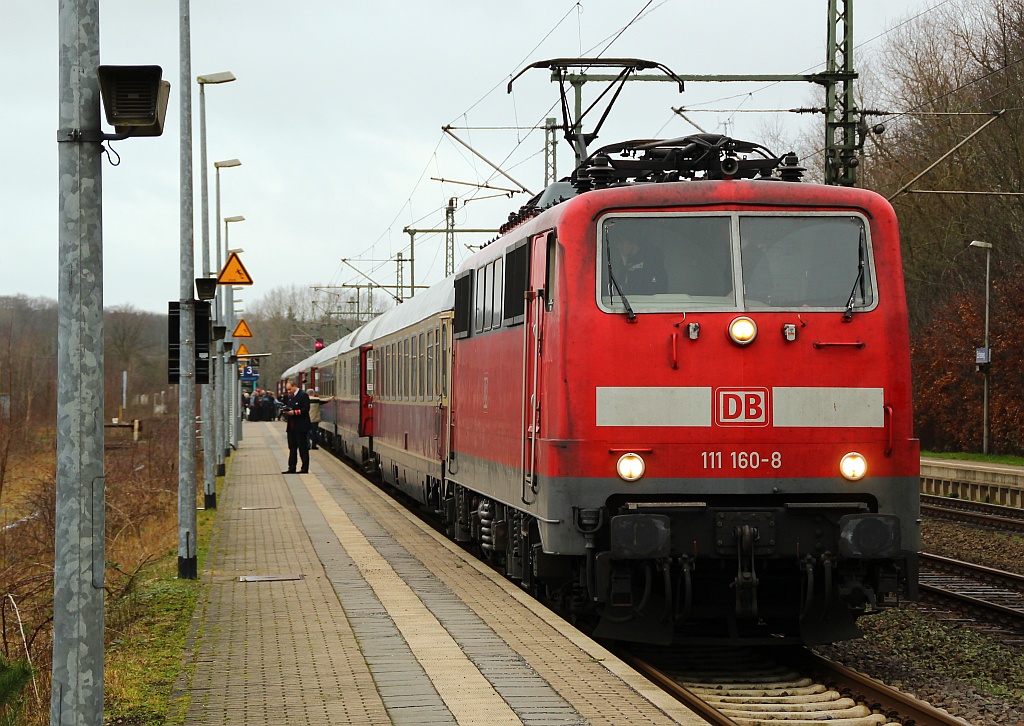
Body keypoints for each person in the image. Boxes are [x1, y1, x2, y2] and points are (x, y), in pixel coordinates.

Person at [280, 379, 310, 474]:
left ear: (294, 386)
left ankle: (304, 468)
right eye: (287, 390)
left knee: (302, 448)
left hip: (301, 426)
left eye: (289, 389)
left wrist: (295, 412)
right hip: (291, 427)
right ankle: (291, 467)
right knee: (292, 448)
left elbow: (305, 409)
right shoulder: (291, 397)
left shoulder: (303, 395)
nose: (288, 391)